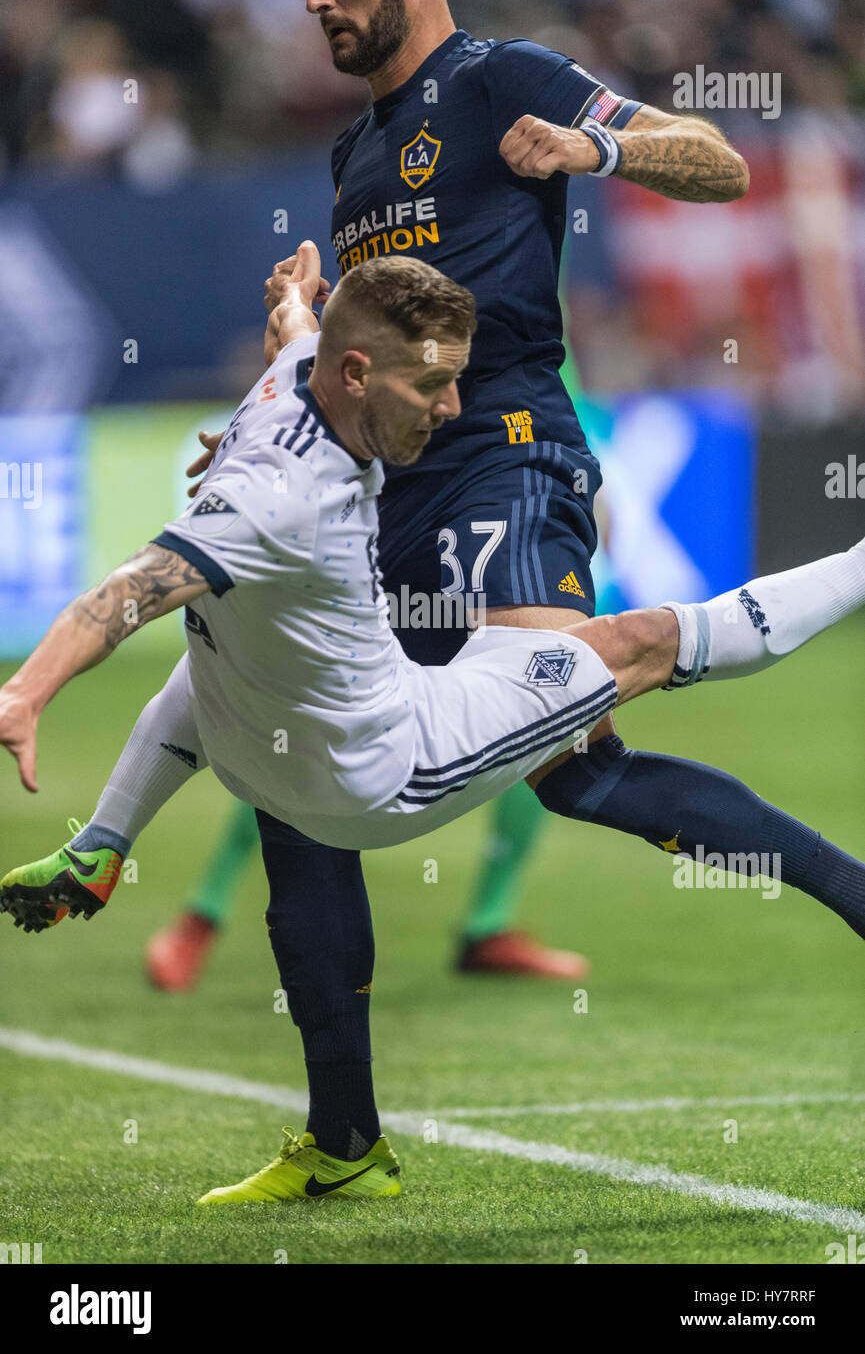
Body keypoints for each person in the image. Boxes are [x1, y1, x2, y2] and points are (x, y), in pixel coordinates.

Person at [2, 249, 864, 1204]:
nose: (452, 410)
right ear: (360, 372)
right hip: (384, 771)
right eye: (434, 384)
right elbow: (127, 592)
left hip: (263, 754)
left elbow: (293, 334)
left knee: (222, 647)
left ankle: (103, 845)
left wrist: (292, 295)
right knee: (639, 642)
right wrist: (27, 693)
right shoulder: (288, 496)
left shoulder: (294, 374)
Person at [146, 0, 753, 992]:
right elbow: (363, 360)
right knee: (323, 718)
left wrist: (592, 146)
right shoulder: (355, 152)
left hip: (503, 447)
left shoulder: (506, 75)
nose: (312, 1)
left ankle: (485, 920)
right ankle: (325, 1095)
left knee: (561, 727)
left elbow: (720, 161)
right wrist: (278, 407)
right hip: (394, 486)